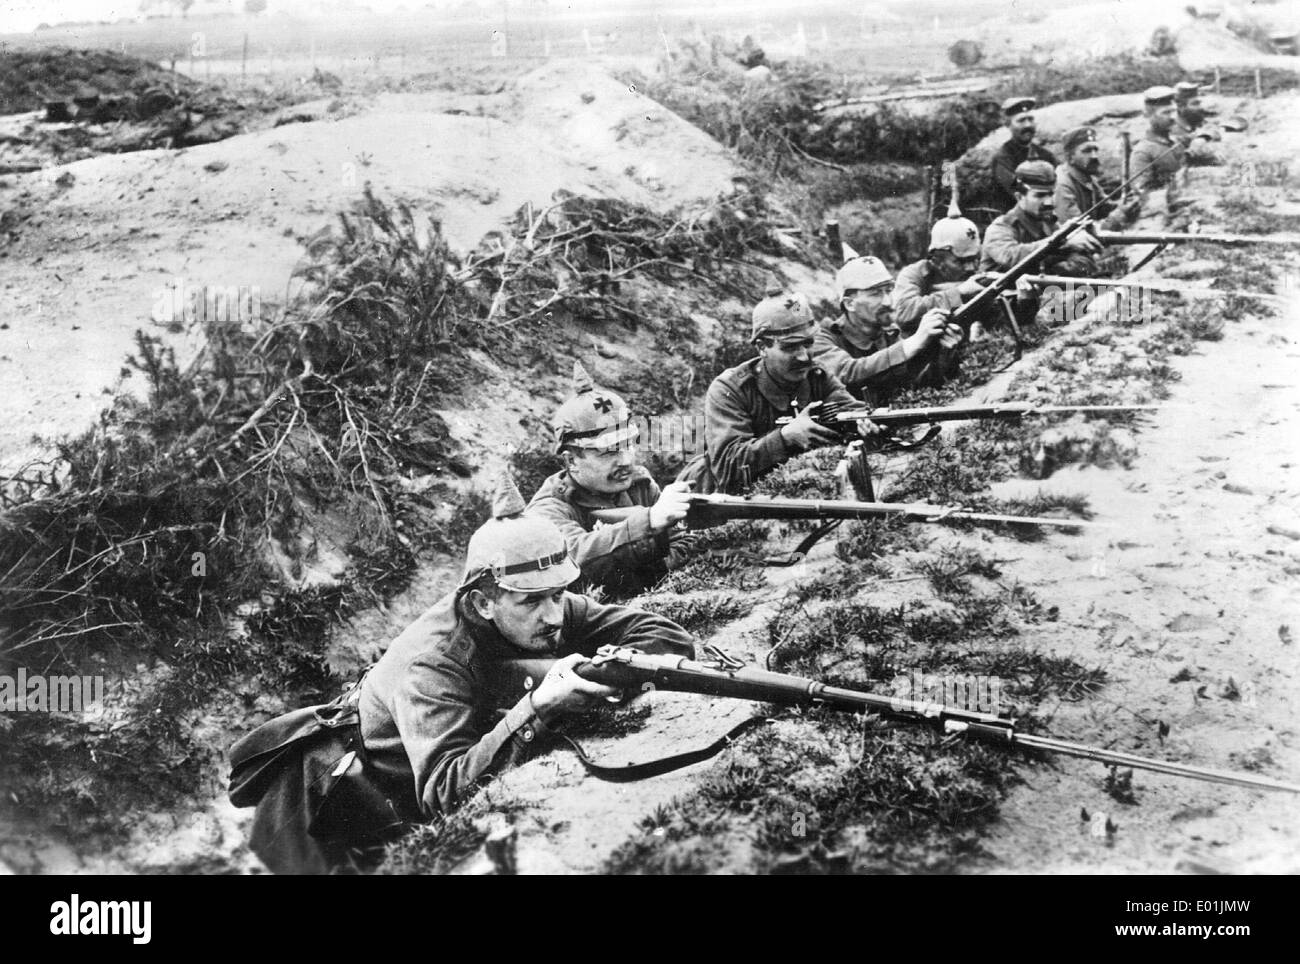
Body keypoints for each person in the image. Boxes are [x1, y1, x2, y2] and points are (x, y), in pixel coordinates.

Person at [358, 472, 696, 824]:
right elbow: (443, 795)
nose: (553, 616)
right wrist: (539, 707)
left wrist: (606, 674)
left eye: (558, 594)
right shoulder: (431, 665)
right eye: (532, 601)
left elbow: (665, 635)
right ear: (484, 603)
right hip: (364, 802)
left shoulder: (546, 606)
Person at [676, 286, 875, 495]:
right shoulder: (730, 389)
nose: (804, 357)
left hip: (788, 488)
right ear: (762, 347)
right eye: (790, 347)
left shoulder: (817, 376)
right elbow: (727, 470)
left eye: (808, 344)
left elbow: (851, 409)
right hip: (710, 498)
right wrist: (785, 437)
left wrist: (864, 423)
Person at [526, 361, 694, 597]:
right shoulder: (547, 511)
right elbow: (572, 561)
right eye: (610, 451)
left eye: (628, 445)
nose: (626, 460)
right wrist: (649, 522)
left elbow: (682, 542)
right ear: (571, 460)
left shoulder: (639, 485)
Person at [814, 255, 962, 402]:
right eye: (875, 294)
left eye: (888, 290)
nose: (887, 301)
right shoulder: (823, 339)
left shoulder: (889, 333)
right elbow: (849, 374)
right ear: (849, 304)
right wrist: (914, 342)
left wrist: (943, 354)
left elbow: (913, 387)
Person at [981, 160, 1103, 277]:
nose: (1048, 202)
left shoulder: (1049, 220)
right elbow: (1011, 257)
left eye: (1051, 194)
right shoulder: (1002, 227)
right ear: (1019, 197)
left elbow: (1081, 260)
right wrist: (1062, 240)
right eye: (1040, 195)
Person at [1054, 126, 1140, 227]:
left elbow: (1104, 207)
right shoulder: (1062, 184)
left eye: (1095, 150)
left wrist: (1126, 205)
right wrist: (1116, 218)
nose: (1094, 156)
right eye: (1087, 151)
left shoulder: (1087, 177)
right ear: (1070, 157)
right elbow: (1074, 230)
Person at [990, 96, 1059, 212]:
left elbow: (1060, 184)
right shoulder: (1003, 158)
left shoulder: (1046, 155)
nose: (1027, 125)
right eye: (1021, 121)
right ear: (1008, 125)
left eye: (1030, 119)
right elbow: (1018, 192)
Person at [1129, 86, 1185, 194]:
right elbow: (1143, 194)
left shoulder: (1177, 142)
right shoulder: (1143, 152)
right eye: (1166, 113)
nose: (1173, 117)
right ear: (1149, 115)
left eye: (1174, 111)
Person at [1172, 81, 1221, 165]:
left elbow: (1213, 128)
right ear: (1181, 107)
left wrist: (1202, 137)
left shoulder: (1194, 119)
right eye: (1195, 104)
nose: (1200, 107)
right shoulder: (1171, 127)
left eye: (1199, 103)